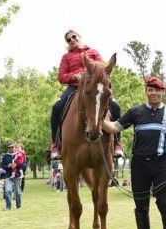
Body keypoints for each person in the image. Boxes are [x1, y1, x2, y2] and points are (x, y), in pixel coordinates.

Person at [102, 76, 166, 229]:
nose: (153, 93)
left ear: (163, 92)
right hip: (139, 165)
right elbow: (115, 127)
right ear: (146, 91)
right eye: (150, 89)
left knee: (165, 205)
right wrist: (97, 120)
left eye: (157, 90)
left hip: (161, 164)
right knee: (141, 207)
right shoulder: (135, 112)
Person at [49, 29, 123, 160]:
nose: (72, 40)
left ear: (79, 37)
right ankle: (56, 144)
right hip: (74, 88)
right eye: (68, 39)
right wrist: (74, 76)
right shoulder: (66, 57)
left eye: (73, 37)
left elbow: (104, 68)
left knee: (116, 107)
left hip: (94, 88)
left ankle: (117, 143)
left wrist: (90, 75)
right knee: (57, 107)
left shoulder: (92, 52)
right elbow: (61, 77)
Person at [0, 143, 24, 210]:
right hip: (8, 176)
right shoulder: (5, 156)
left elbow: (23, 164)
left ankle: (19, 206)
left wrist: (16, 165)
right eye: (9, 147)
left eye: (12, 147)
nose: (11, 148)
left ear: (15, 147)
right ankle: (8, 207)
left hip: (17, 175)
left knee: (18, 192)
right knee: (8, 191)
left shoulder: (19, 154)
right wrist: (8, 166)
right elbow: (2, 166)